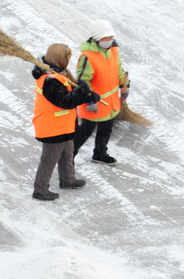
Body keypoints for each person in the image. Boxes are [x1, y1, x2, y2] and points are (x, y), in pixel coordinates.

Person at [31, 43, 100, 201]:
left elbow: (72, 92)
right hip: (52, 128)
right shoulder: (49, 80)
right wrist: (83, 90)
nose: (69, 61)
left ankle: (68, 180)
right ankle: (40, 190)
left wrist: (88, 95)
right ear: (60, 59)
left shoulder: (60, 74)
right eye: (67, 57)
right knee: (49, 160)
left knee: (67, 154)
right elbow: (66, 101)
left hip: (64, 126)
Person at [74, 19, 128, 165]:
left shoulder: (113, 50)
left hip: (110, 102)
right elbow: (82, 81)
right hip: (94, 102)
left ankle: (99, 154)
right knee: (85, 131)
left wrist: (125, 85)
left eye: (111, 37)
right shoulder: (88, 56)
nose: (109, 40)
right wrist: (89, 99)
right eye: (105, 38)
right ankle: (68, 156)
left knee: (106, 130)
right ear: (97, 39)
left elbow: (119, 69)